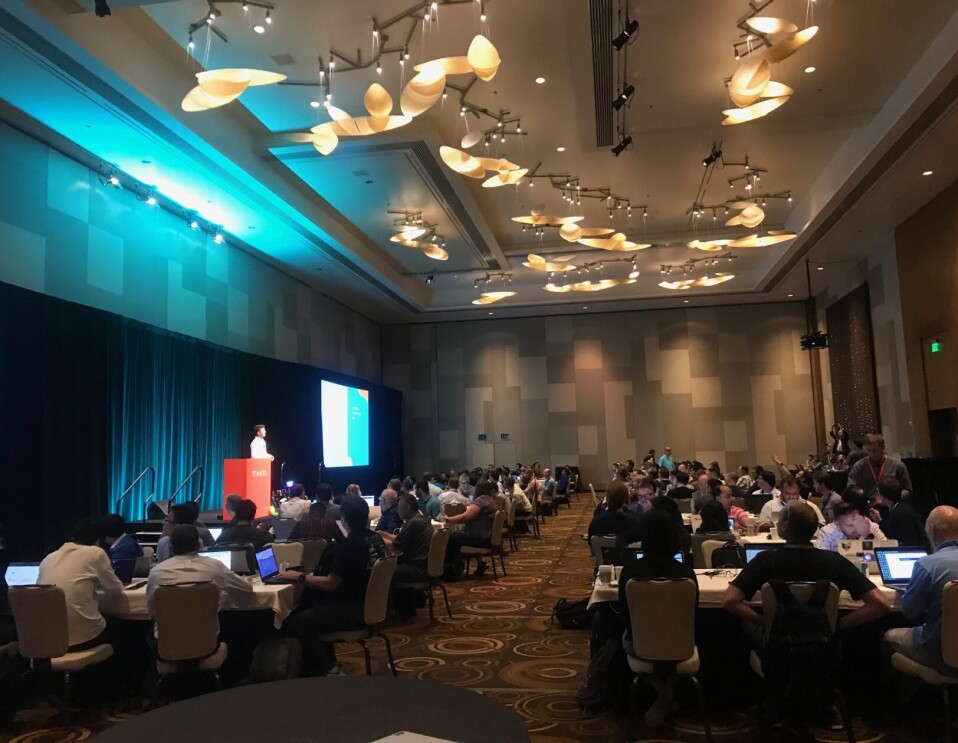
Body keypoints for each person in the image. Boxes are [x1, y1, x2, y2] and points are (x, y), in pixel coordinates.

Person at [722, 501, 890, 631]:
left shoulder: (765, 560)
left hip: (777, 650)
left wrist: (767, 622)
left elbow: (730, 600)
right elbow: (881, 603)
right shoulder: (835, 561)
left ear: (785, 527)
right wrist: (835, 625)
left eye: (779, 521)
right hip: (824, 651)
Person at [277, 495, 386, 675]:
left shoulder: (350, 545)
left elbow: (330, 584)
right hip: (371, 606)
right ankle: (326, 664)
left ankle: (326, 667)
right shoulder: (376, 539)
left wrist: (300, 577)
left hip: (352, 610)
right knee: (312, 612)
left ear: (344, 518)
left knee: (294, 622)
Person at [618, 507, 697, 728]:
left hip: (639, 645)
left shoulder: (631, 572)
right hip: (683, 646)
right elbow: (693, 616)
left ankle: (661, 695)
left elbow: (625, 616)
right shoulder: (686, 573)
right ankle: (670, 694)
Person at [884, 506, 958, 676]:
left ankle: (902, 698)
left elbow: (910, 611)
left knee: (888, 636)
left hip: (940, 652)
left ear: (932, 530)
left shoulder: (927, 565)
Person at [38, 518, 124, 649]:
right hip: (81, 638)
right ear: (98, 541)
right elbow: (116, 589)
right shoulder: (95, 553)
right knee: (125, 630)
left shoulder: (48, 558)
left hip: (47, 640)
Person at [146, 525, 254, 626]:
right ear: (198, 545)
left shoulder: (156, 572)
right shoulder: (215, 567)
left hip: (165, 642)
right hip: (208, 642)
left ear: (170, 547)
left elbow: (152, 613)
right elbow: (247, 588)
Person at [380, 493, 434, 621]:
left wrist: (378, 539)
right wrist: (382, 534)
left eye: (399, 506)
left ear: (407, 507)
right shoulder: (421, 519)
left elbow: (395, 546)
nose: (397, 509)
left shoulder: (412, 524)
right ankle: (405, 609)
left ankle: (394, 612)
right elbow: (400, 540)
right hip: (424, 564)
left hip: (418, 568)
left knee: (382, 572)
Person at [444, 480, 500, 577]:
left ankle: (455, 568)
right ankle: (477, 562)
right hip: (487, 537)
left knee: (453, 538)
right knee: (458, 536)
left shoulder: (481, 501)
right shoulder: (491, 500)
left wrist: (448, 519)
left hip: (480, 538)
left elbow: (465, 517)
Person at [847, 433, 912, 497]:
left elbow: (907, 489)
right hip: (866, 503)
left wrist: (894, 498)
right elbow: (850, 486)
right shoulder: (859, 466)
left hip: (891, 504)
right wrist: (858, 492)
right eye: (869, 450)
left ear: (883, 448)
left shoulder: (897, 466)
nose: (872, 453)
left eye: (875, 450)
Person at [815, 499, 886, 552]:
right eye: (850, 525)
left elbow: (887, 548)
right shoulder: (827, 533)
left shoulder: (870, 526)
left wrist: (868, 535)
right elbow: (821, 559)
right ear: (837, 524)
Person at [870, 483, 928, 547]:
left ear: (884, 497)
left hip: (917, 552)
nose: (877, 497)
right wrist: (880, 521)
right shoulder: (900, 507)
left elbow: (909, 541)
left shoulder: (900, 514)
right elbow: (893, 532)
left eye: (879, 494)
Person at [758, 475, 824, 530]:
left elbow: (822, 524)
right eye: (787, 493)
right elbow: (762, 524)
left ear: (799, 491)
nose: (791, 496)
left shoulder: (810, 506)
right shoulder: (770, 505)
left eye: (794, 493)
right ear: (781, 490)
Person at [587, 481, 641, 545]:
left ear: (607, 498)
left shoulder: (596, 521)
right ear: (627, 497)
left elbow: (592, 546)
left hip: (603, 554)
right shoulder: (635, 520)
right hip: (629, 554)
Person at [691, 500, 738, 568]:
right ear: (724, 517)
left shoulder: (694, 539)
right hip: (727, 574)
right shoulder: (731, 537)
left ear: (703, 518)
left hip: (700, 575)